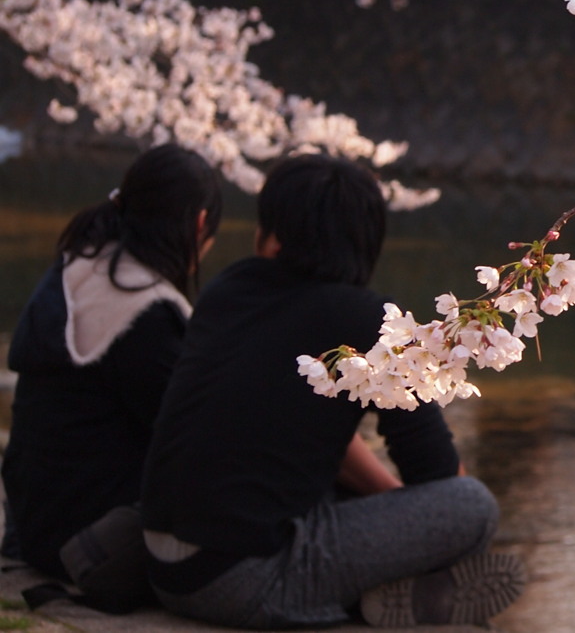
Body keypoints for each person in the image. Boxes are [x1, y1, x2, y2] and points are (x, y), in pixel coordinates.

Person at [140, 153, 525, 630]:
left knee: (345, 493)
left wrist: (388, 516)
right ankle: (381, 596)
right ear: (367, 242)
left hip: (162, 563)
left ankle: (383, 592)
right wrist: (407, 528)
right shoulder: (369, 320)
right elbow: (440, 476)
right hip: (244, 581)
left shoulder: (228, 287)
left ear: (273, 230)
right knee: (472, 507)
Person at [1, 144, 223, 579]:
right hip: (89, 543)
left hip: (31, 528)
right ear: (199, 225)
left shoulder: (73, 270)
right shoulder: (146, 312)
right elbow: (190, 440)